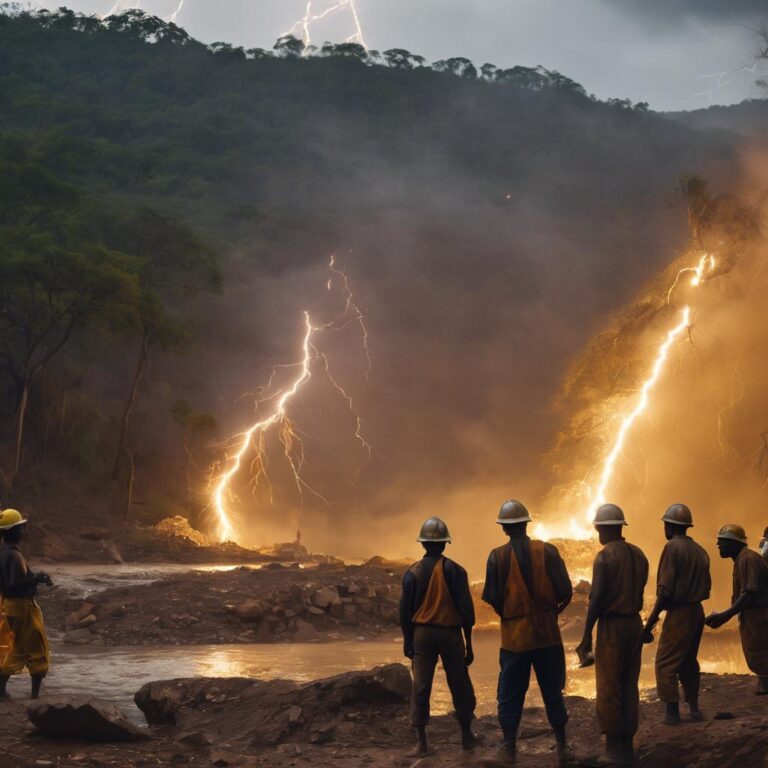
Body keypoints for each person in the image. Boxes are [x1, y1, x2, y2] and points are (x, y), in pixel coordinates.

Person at [482, 500, 575, 766]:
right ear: (526, 524)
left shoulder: (496, 557)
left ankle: (509, 748)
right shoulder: (548, 551)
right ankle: (562, 746)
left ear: (504, 528)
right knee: (553, 691)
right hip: (548, 635)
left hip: (514, 639)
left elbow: (494, 599)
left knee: (510, 693)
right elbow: (565, 592)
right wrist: (550, 614)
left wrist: (511, 616)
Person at [576, 503, 649, 766]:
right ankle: (627, 746)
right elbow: (640, 592)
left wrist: (586, 634)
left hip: (613, 627)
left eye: (598, 528)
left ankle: (614, 751)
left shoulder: (604, 557)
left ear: (603, 529)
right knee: (629, 684)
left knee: (608, 686)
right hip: (634, 624)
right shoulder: (640, 555)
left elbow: (596, 598)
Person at [399, 516, 477, 756]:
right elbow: (467, 612)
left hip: (422, 635)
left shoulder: (412, 573)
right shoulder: (456, 571)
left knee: (421, 686)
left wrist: (407, 640)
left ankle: (421, 744)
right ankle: (466, 736)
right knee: (459, 683)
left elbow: (404, 612)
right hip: (451, 634)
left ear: (423, 544)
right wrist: (468, 643)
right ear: (445, 544)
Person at [642, 503, 711, 724]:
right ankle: (694, 708)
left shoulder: (672, 548)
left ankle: (672, 713)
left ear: (670, 526)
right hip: (697, 611)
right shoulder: (700, 550)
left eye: (665, 525)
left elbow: (665, 591)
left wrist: (650, 622)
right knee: (689, 660)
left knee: (666, 662)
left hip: (680, 613)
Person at [705, 524, 768, 694]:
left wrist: (725, 616)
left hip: (758, 616)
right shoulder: (744, 558)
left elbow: (748, 593)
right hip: (754, 616)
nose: (719, 545)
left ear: (734, 543)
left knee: (759, 649)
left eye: (722, 542)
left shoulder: (747, 559)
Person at [0, 508, 53, 699]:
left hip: (10, 605)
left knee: (18, 647)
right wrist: (37, 578)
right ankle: (35, 696)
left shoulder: (4, 553)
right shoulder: (14, 556)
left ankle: (1, 689)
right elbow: (15, 583)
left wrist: (35, 578)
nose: (24, 531)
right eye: (21, 528)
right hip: (22, 606)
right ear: (13, 531)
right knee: (38, 648)